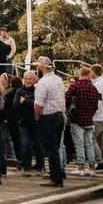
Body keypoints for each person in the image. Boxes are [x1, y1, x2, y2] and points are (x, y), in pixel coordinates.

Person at [33, 59, 67, 187]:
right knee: (56, 147)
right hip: (59, 115)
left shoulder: (43, 83)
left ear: (41, 68)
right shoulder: (58, 80)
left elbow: (38, 105)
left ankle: (56, 177)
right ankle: (56, 173)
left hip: (47, 117)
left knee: (51, 148)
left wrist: (37, 119)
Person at [65, 66, 100, 178]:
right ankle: (92, 168)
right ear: (89, 75)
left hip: (77, 119)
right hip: (89, 120)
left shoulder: (75, 86)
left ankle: (80, 167)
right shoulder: (93, 88)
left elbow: (66, 99)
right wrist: (90, 114)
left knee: (79, 144)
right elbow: (96, 105)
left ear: (80, 74)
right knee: (89, 144)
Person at [13, 71, 42, 176]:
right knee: (24, 144)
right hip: (23, 122)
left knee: (38, 145)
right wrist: (27, 104)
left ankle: (40, 166)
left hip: (36, 122)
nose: (28, 81)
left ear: (34, 80)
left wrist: (24, 102)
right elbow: (15, 105)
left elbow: (37, 104)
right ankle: (25, 166)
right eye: (26, 79)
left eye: (30, 79)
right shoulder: (19, 91)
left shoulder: (37, 91)